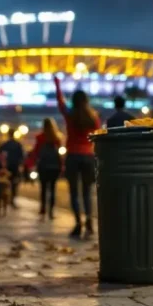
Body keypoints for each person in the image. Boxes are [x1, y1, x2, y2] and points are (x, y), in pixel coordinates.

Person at [54, 76, 101, 238]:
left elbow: (60, 103)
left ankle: (77, 223)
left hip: (73, 156)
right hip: (88, 156)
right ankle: (89, 220)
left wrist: (58, 85)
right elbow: (97, 135)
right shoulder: (93, 117)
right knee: (87, 192)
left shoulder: (70, 114)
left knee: (74, 192)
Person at [30, 117, 64, 219]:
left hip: (43, 166)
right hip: (54, 166)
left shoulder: (40, 137)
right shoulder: (56, 137)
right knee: (52, 189)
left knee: (43, 189)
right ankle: (51, 212)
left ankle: (43, 209)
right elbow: (60, 153)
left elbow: (36, 152)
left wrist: (34, 162)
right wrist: (61, 165)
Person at [0, 128, 26, 208]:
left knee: (6, 183)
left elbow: (0, 153)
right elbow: (22, 156)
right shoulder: (17, 144)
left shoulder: (5, 144)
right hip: (15, 166)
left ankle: (6, 198)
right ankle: (12, 199)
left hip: (7, 166)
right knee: (14, 183)